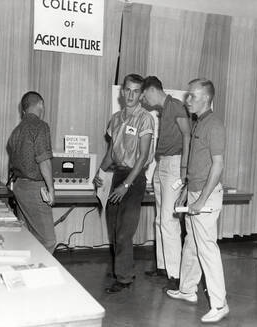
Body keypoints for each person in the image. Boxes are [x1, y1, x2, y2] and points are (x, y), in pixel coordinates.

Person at [166, 79, 229, 323]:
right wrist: (187, 190)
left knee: (206, 248)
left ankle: (220, 303)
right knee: (191, 244)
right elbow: (197, 163)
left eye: (192, 96)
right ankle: (187, 289)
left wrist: (201, 200)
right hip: (195, 191)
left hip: (207, 195)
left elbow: (218, 165)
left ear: (206, 98)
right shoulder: (197, 123)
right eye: (188, 96)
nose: (187, 100)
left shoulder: (214, 125)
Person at [93, 73, 155, 294]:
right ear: (122, 92)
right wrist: (100, 172)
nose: (130, 95)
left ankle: (125, 278)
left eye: (136, 91)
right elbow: (111, 152)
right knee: (113, 228)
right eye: (127, 90)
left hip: (134, 179)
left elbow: (142, 156)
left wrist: (126, 185)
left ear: (140, 95)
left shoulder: (145, 118)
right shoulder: (116, 118)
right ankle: (123, 267)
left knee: (124, 231)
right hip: (116, 175)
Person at [141, 76, 191, 291]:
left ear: (152, 90)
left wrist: (184, 169)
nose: (143, 99)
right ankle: (163, 267)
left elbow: (187, 135)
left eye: (144, 95)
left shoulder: (176, 105)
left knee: (169, 220)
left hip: (174, 165)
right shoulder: (164, 110)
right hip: (162, 164)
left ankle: (176, 274)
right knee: (160, 220)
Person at [7, 91, 56, 253]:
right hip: (36, 189)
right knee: (48, 240)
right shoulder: (40, 126)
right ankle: (40, 275)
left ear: (23, 110)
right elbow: (44, 161)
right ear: (40, 104)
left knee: (28, 238)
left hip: (19, 187)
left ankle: (28, 273)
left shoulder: (16, 132)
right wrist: (51, 189)